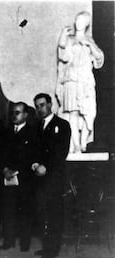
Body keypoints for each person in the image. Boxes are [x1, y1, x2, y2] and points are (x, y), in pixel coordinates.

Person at [56, 11, 104, 153]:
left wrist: (89, 45)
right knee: (73, 113)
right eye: (77, 20)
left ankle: (84, 141)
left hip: (85, 80)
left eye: (82, 20)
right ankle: (76, 144)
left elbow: (99, 59)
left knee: (89, 112)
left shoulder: (89, 40)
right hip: (72, 79)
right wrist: (62, 37)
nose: (78, 23)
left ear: (87, 23)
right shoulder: (70, 39)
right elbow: (63, 57)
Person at [32, 93, 71, 258]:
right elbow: (32, 150)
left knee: (54, 212)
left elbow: (61, 152)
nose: (40, 109)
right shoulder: (36, 126)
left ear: (50, 105)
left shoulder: (62, 125)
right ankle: (46, 245)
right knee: (42, 211)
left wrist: (45, 167)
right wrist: (34, 164)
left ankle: (53, 248)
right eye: (37, 106)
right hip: (39, 177)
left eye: (42, 105)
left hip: (54, 177)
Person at [0, 102, 36, 252]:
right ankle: (8, 241)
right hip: (7, 177)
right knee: (7, 210)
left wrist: (16, 171)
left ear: (26, 115)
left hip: (24, 178)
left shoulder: (32, 133)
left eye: (18, 113)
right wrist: (5, 169)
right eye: (13, 113)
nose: (14, 115)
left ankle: (25, 243)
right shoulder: (5, 132)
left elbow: (33, 156)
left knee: (24, 211)